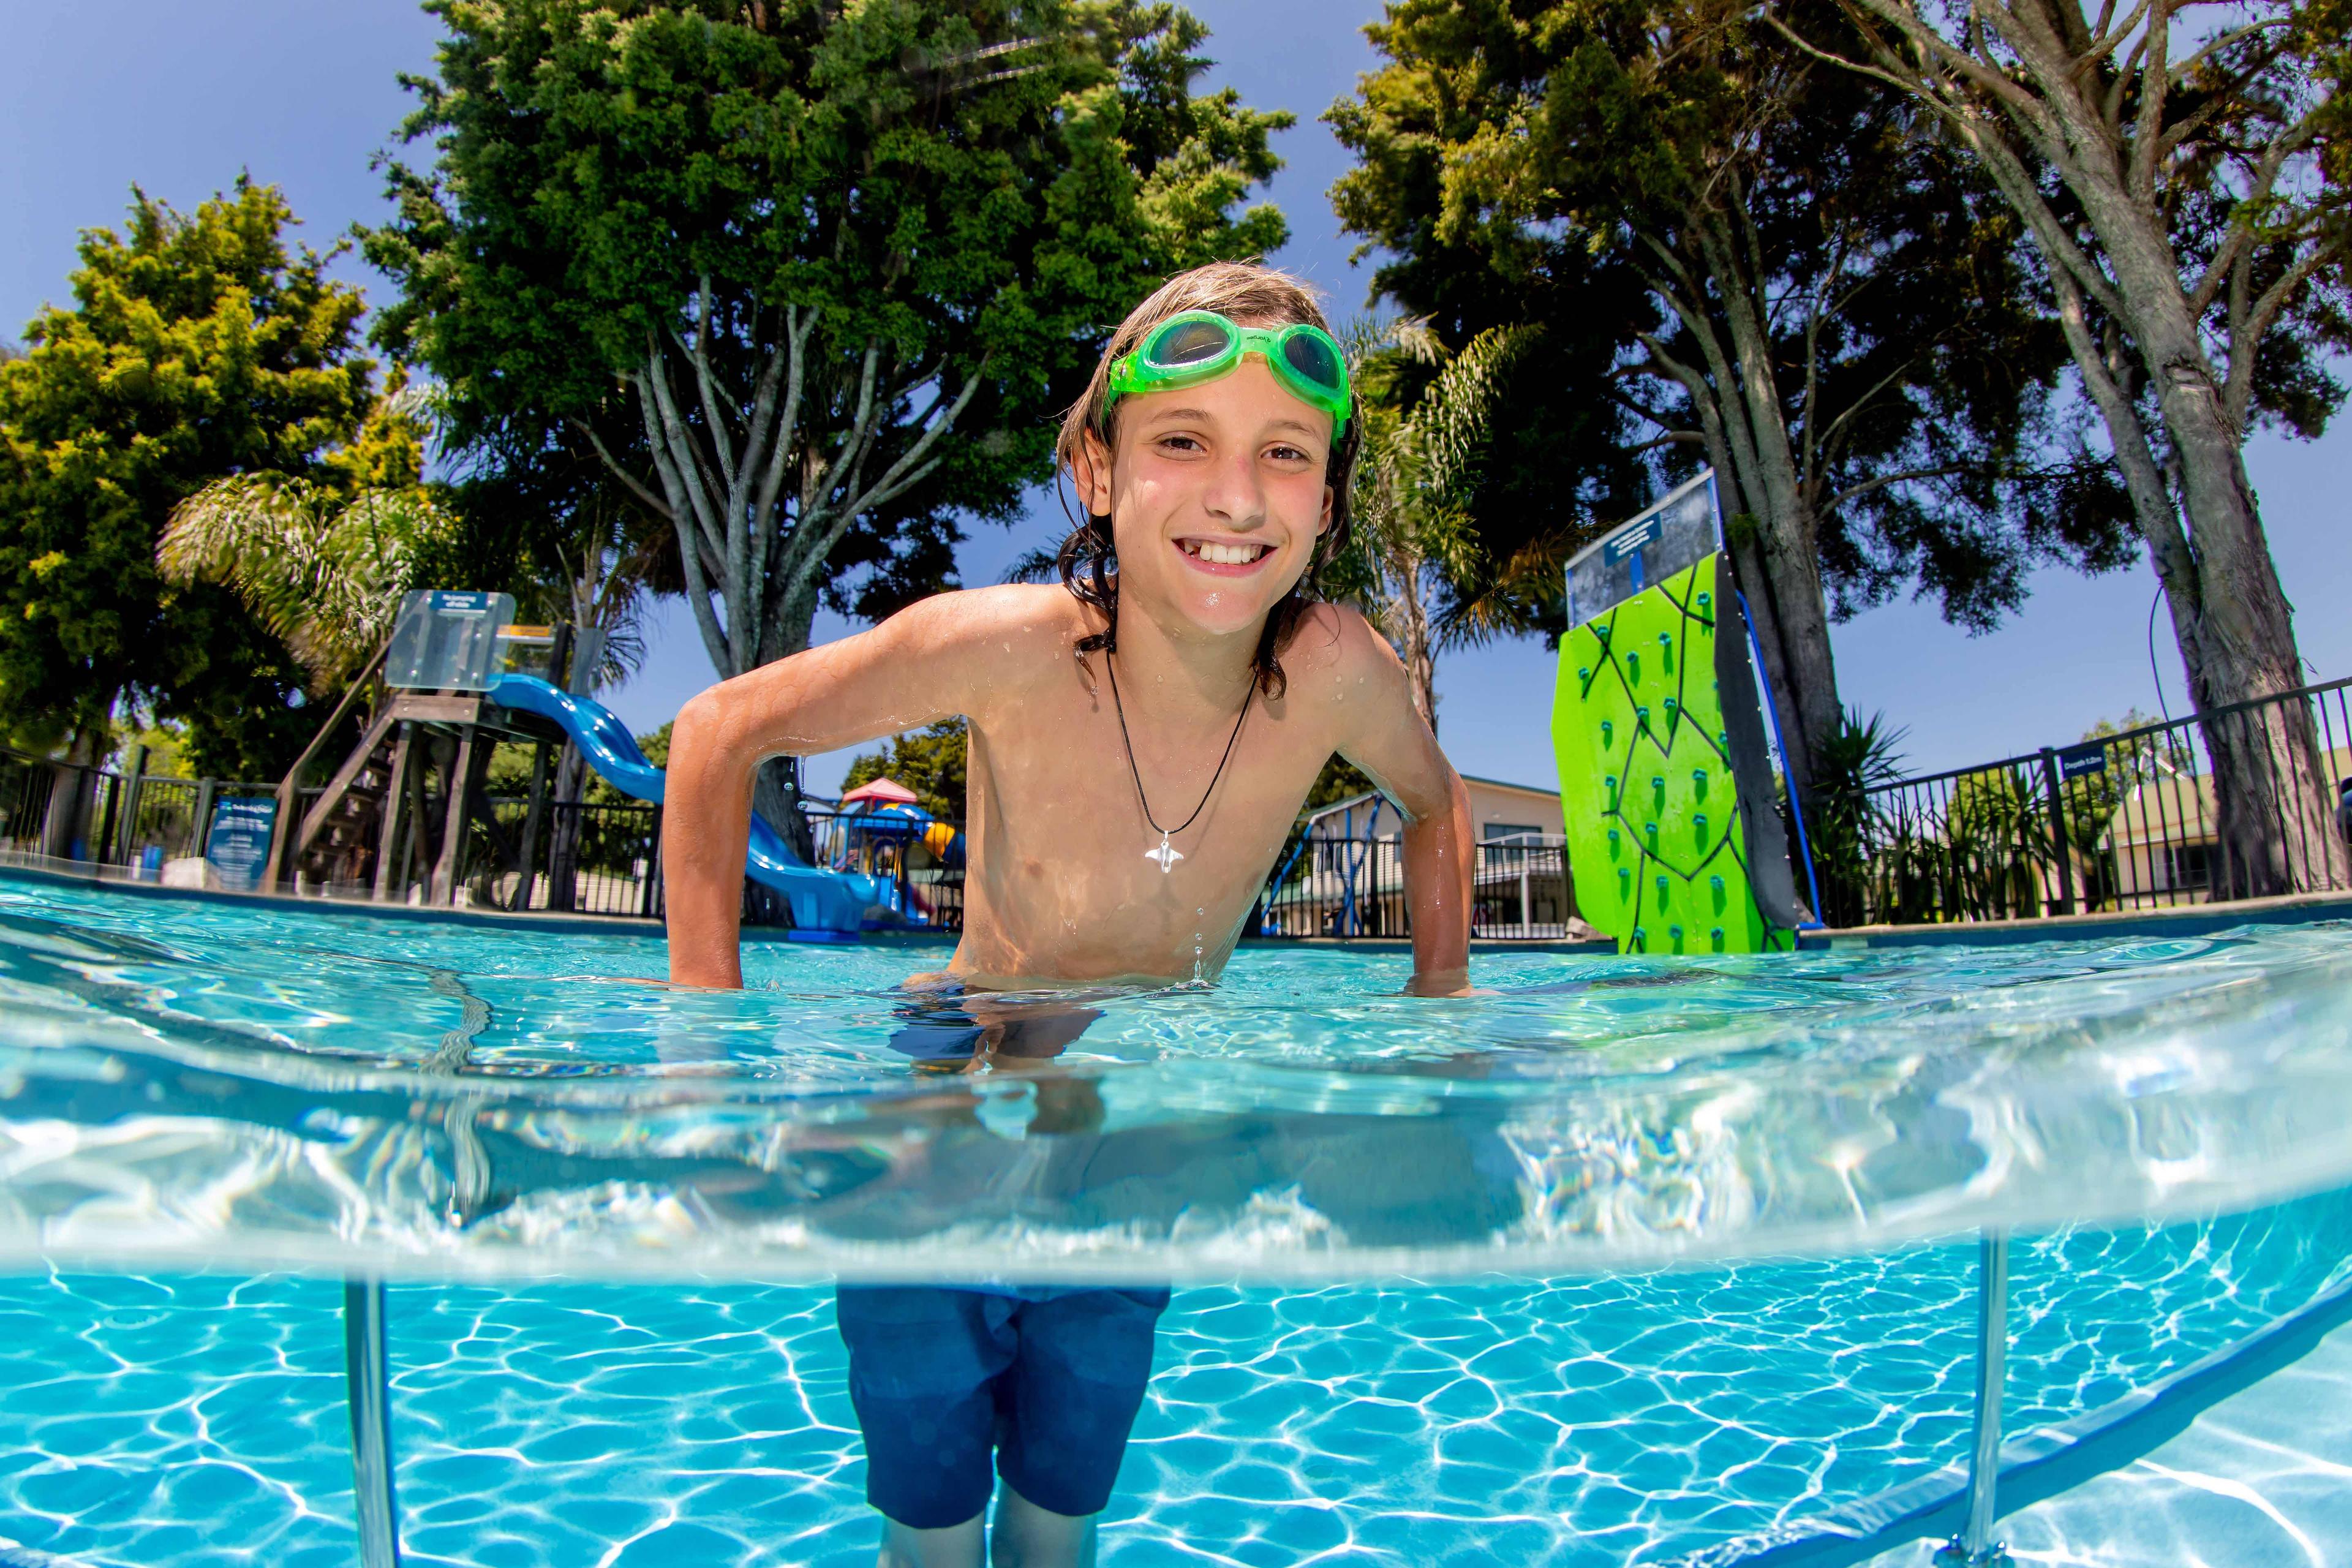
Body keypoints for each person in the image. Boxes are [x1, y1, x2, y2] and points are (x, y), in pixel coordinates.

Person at [662, 262, 1475, 1568]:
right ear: (1099, 471)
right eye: (1182, 442)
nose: (1233, 494)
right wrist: (699, 1045)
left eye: (1284, 453)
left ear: (1325, 501)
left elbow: (1438, 805)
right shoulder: (1012, 644)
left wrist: (1446, 1015)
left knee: (1062, 1506)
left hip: (1142, 1103)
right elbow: (716, 730)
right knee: (927, 1516)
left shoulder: (1334, 672)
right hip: (958, 1076)